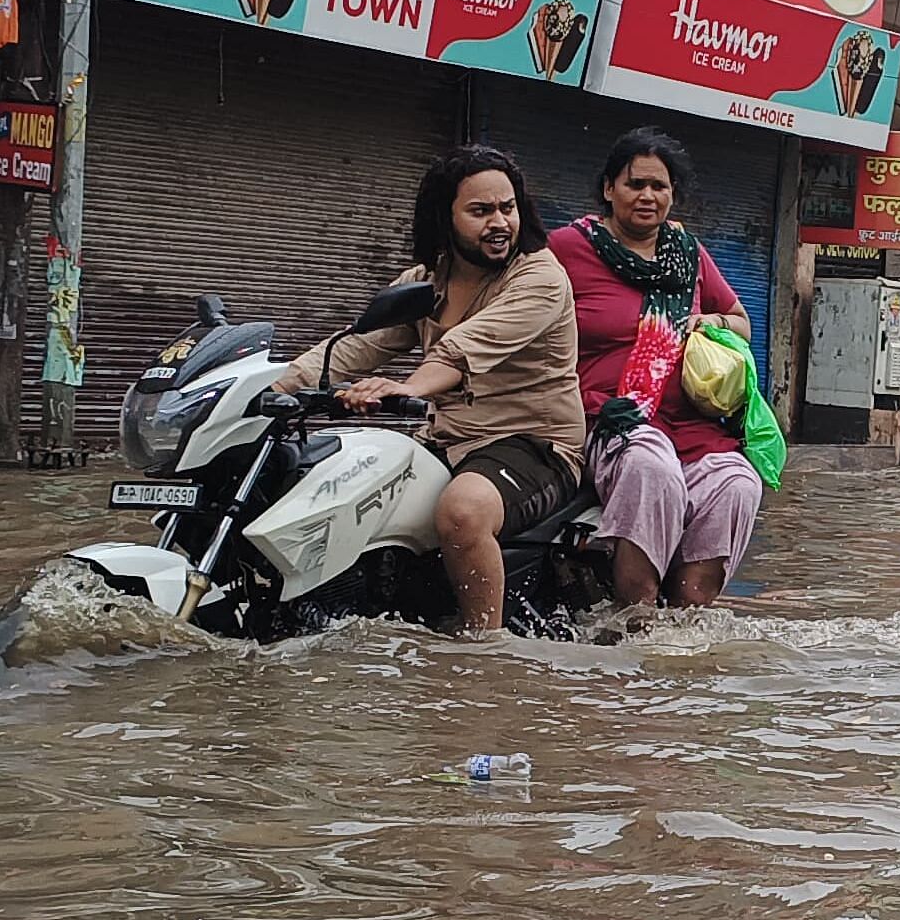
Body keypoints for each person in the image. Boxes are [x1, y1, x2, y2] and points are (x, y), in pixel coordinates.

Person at [285, 146, 585, 632]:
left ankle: (483, 647)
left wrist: (405, 387)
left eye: (507, 208)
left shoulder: (540, 276)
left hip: (536, 445)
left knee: (462, 511)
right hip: (446, 441)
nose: (499, 223)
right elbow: (354, 347)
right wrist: (273, 385)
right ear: (444, 217)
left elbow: (462, 349)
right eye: (480, 210)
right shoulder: (425, 281)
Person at [550, 128, 762, 610]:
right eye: (635, 184)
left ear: (673, 195)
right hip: (614, 419)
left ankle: (685, 625)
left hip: (691, 425)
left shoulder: (688, 255)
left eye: (659, 187)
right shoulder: (566, 249)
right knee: (653, 466)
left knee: (737, 482)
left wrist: (711, 320)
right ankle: (637, 621)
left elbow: (742, 323)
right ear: (609, 189)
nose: (647, 196)